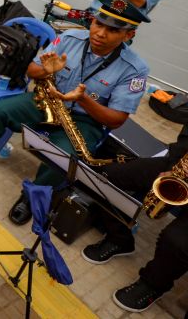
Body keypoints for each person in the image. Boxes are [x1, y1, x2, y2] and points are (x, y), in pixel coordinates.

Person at [0, 0, 150, 227]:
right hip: (48, 100)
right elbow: (32, 68)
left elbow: (117, 119)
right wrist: (46, 72)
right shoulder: (69, 38)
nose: (100, 33)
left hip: (85, 119)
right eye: (98, 24)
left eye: (113, 30)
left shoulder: (135, 70)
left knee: (64, 155)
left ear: (129, 35)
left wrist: (84, 99)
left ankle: (30, 197)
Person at [80, 124, 188, 313]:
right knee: (108, 177)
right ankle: (119, 239)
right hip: (181, 170)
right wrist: (173, 170)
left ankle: (152, 284)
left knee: (176, 241)